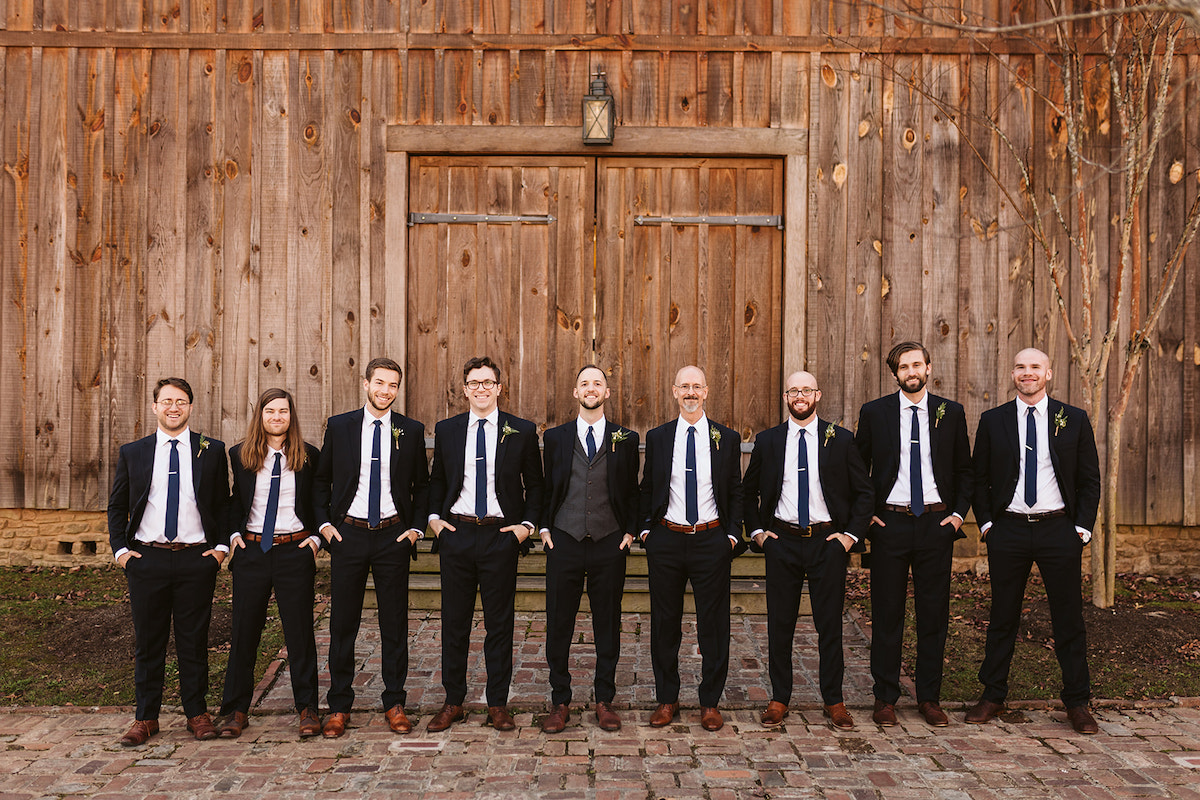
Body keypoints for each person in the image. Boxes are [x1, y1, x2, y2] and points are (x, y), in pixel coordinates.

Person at [967, 347, 1101, 735]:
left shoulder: (1072, 419)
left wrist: (1082, 530)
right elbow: (979, 477)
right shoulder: (993, 420)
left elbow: (1089, 478)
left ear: (1049, 373)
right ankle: (992, 695)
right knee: (1002, 615)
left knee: (1068, 618)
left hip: (1058, 530)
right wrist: (989, 525)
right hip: (1008, 529)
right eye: (1022, 367)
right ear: (1013, 374)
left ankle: (1077, 701)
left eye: (1035, 367)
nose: (1028, 373)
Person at [745, 370, 873, 730]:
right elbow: (747, 491)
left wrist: (849, 537)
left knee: (829, 625)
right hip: (781, 542)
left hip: (827, 543)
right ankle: (779, 698)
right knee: (779, 624)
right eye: (793, 391)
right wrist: (758, 533)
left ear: (817, 395)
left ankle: (834, 700)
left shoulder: (841, 439)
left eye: (806, 390)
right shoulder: (769, 441)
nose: (799, 396)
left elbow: (865, 493)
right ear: (786, 396)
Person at [855, 342, 972, 727]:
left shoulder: (950, 413)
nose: (911, 371)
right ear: (895, 374)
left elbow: (964, 471)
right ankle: (885, 697)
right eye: (903, 366)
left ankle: (929, 698)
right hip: (890, 524)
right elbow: (859, 470)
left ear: (928, 367)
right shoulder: (875, 413)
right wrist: (869, 517)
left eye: (917, 364)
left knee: (932, 615)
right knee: (887, 614)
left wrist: (956, 517)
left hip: (936, 525)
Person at [108, 377, 230, 746]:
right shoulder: (135, 452)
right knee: (149, 641)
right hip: (148, 559)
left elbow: (223, 504)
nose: (173, 407)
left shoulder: (211, 450)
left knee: (194, 641)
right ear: (154, 407)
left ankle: (197, 713)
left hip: (196, 559)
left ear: (191, 407)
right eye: (166, 401)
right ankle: (146, 717)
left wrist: (221, 549)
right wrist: (122, 552)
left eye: (181, 401)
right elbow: (117, 505)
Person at [426, 356, 545, 732]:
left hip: (500, 537)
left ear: (499, 387)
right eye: (474, 383)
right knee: (454, 622)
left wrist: (526, 526)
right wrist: (435, 522)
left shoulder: (521, 431)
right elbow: (437, 481)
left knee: (499, 623)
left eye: (487, 382)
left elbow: (536, 485)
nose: (481, 388)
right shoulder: (448, 430)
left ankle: (497, 703)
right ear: (465, 390)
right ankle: (453, 700)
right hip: (457, 534)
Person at [313, 358, 430, 738]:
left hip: (393, 537)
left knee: (393, 623)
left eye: (392, 385)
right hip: (348, 535)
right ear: (366, 383)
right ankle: (339, 705)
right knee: (343, 622)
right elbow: (322, 480)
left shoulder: (410, 431)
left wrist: (415, 529)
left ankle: (395, 701)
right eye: (379, 383)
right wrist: (326, 526)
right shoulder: (341, 425)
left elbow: (423, 486)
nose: (385, 391)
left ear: (398, 389)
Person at [638, 365, 743, 732]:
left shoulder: (725, 438)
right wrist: (646, 532)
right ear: (674, 391)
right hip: (666, 539)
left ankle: (710, 702)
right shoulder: (658, 436)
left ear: (707, 391)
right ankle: (667, 698)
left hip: (711, 540)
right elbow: (648, 485)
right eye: (684, 386)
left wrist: (731, 536)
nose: (691, 392)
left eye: (697, 386)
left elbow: (735, 489)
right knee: (665, 624)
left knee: (713, 625)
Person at [538, 365, 639, 733]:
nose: (591, 388)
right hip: (563, 539)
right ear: (575, 392)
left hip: (608, 542)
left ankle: (604, 699)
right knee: (559, 623)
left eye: (597, 383)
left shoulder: (625, 439)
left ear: (607, 393)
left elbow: (631, 491)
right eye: (584, 383)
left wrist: (630, 532)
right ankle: (560, 700)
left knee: (607, 622)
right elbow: (547, 487)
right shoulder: (556, 437)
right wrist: (545, 528)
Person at [217, 388, 323, 739]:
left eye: (283, 411)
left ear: (291, 417)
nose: (277, 417)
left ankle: (307, 708)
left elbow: (321, 499)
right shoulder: (240, 455)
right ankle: (236, 709)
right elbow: (234, 501)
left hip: (294, 551)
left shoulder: (308, 456)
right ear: (260, 416)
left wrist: (316, 539)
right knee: (244, 632)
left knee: (300, 634)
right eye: (270, 411)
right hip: (252, 553)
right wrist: (233, 536)